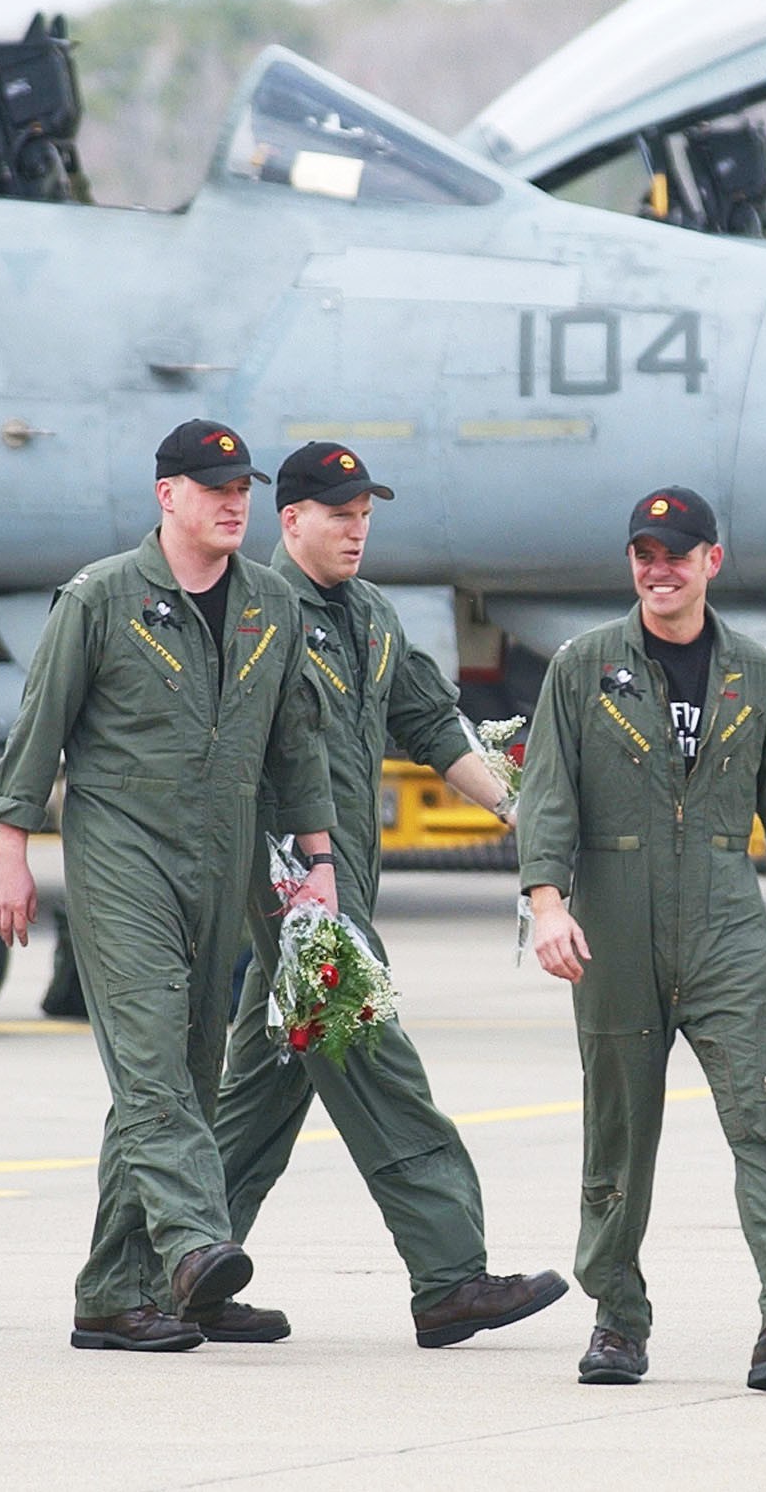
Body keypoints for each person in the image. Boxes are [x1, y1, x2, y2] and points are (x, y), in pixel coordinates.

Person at [0, 419, 337, 1353]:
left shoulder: (270, 603)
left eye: (242, 488)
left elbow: (296, 745)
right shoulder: (100, 597)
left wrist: (318, 868)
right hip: (120, 850)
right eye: (212, 486)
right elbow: (40, 726)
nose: (232, 502)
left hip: (223, 855)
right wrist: (11, 850)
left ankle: (112, 1292)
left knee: (186, 1071)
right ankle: (192, 1247)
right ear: (165, 495)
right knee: (148, 1058)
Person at [206, 442, 567, 1346]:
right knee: (374, 1058)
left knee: (264, 1086)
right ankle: (450, 1276)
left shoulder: (371, 614)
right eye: (339, 514)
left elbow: (430, 723)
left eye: (366, 513)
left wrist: (522, 810)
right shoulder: (255, 612)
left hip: (347, 874)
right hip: (292, 884)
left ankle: (166, 1268)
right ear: (290, 521)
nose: (357, 529)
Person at [518, 487, 766, 1391]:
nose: (658, 569)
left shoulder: (753, 670)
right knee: (619, 1134)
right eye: (643, 554)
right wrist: (548, 903)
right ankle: (617, 1320)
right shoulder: (583, 667)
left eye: (677, 553)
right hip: (613, 922)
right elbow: (546, 794)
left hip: (723, 916)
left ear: (712, 559)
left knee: (758, 1114)